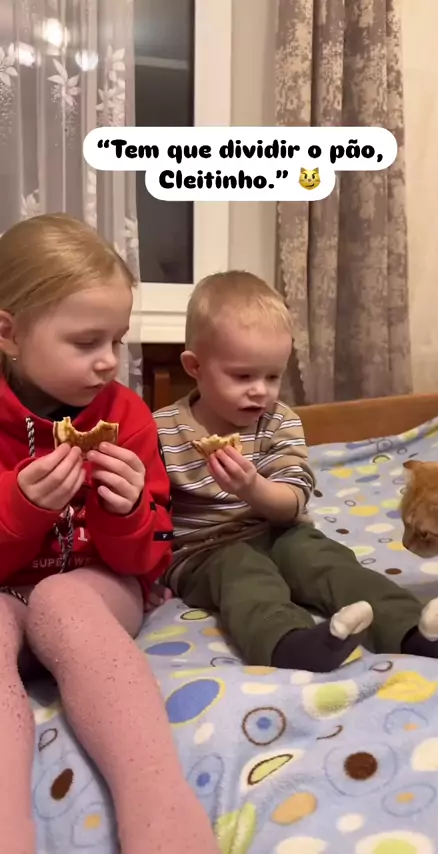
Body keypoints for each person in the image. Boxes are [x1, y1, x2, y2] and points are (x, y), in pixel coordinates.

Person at [0, 214, 219, 854]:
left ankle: (162, 816)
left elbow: (150, 558)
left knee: (61, 599)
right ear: (8, 333)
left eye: (117, 340)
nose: (108, 361)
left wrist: (125, 514)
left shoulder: (127, 417)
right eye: (85, 341)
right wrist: (19, 508)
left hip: (94, 591)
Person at [155, 270, 438, 671]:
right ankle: (288, 643)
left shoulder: (279, 421)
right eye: (242, 376)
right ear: (195, 366)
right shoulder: (160, 431)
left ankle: (415, 632)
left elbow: (291, 501)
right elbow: (149, 512)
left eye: (273, 376)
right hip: (203, 551)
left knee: (327, 561)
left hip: (277, 528)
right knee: (242, 572)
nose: (260, 390)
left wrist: (252, 487)